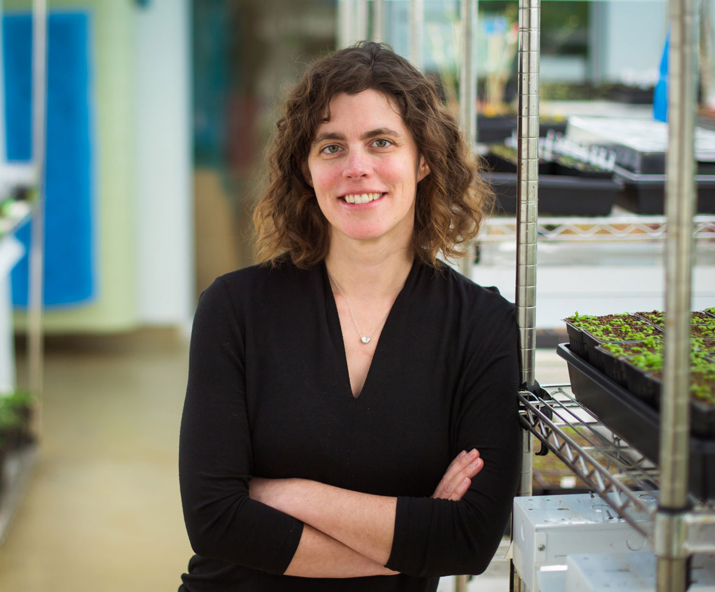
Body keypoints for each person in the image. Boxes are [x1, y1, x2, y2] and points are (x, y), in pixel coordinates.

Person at [178, 41, 521, 592]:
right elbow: (216, 522)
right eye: (331, 147)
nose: (357, 168)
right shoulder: (235, 309)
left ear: (424, 159)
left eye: (381, 142)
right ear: (306, 168)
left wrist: (288, 494)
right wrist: (416, 539)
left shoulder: (481, 326)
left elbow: (471, 539)